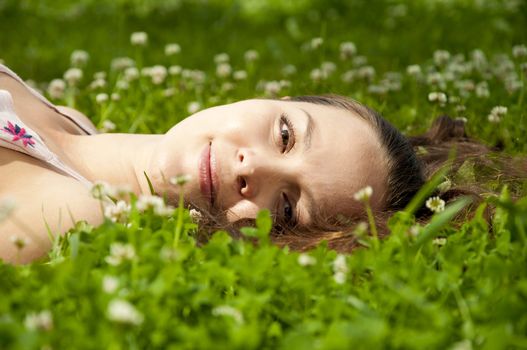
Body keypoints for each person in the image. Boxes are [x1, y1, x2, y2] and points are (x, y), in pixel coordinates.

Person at [0, 63, 522, 264]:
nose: (256, 171)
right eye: (287, 135)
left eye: (288, 208)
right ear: (267, 97)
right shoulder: (66, 119)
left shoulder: (75, 216)